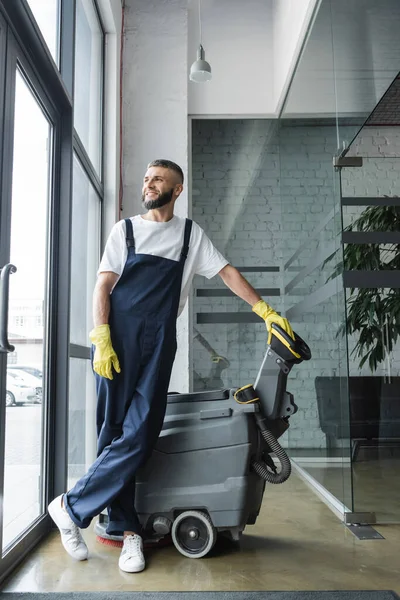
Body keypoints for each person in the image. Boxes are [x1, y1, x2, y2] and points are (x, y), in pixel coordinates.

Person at [48, 159, 294, 573]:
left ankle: (70, 507)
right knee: (112, 434)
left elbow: (226, 272)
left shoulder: (189, 236)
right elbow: (103, 284)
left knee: (141, 434)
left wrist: (264, 310)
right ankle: (128, 532)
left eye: (157, 179)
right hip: (117, 340)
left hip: (160, 342)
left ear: (176, 189)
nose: (148, 184)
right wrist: (101, 335)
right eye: (145, 178)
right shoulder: (124, 230)